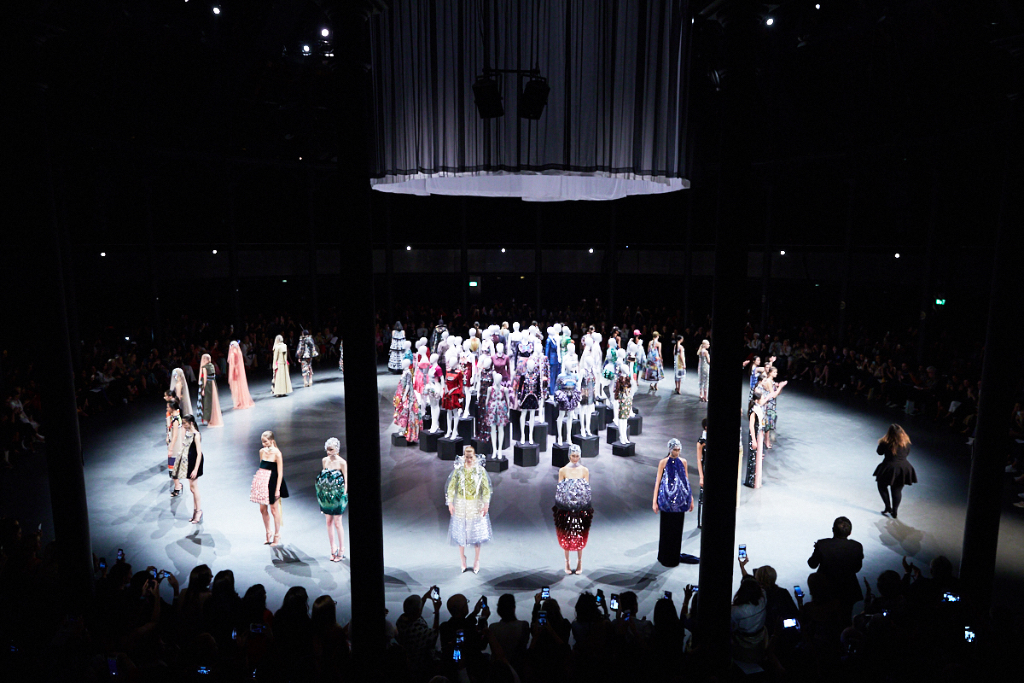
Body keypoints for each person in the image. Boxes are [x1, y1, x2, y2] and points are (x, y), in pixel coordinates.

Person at [807, 516, 864, 624]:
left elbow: (812, 564)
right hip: (848, 590)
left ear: (833, 530)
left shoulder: (822, 544)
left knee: (825, 621)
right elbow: (857, 568)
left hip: (825, 589)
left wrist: (817, 550)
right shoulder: (857, 546)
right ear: (850, 532)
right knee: (845, 619)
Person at [445, 446, 492, 573]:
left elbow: (486, 488)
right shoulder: (459, 470)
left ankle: (477, 559)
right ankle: (462, 559)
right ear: (464, 457)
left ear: (474, 457)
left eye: (471, 457)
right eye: (467, 457)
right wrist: (450, 503)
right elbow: (451, 486)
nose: (469, 459)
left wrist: (486, 504)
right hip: (461, 503)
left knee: (476, 534)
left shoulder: (480, 470)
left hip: (476, 504)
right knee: (461, 533)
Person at [653, 438, 695, 567]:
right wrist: (654, 501)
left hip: (680, 501)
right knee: (666, 529)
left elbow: (686, 480)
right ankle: (664, 556)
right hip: (666, 501)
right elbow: (658, 482)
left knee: (677, 530)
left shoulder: (683, 462)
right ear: (670, 449)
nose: (677, 452)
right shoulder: (663, 462)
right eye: (675, 450)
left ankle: (674, 556)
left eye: (678, 450)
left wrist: (691, 498)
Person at [553, 444, 593, 575]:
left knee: (580, 534)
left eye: (577, 456)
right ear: (569, 455)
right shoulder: (563, 470)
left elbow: (587, 490)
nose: (575, 458)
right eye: (573, 456)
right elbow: (559, 489)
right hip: (566, 508)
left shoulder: (585, 470)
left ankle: (580, 562)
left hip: (581, 508)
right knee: (566, 535)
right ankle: (567, 562)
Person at [250, 430, 288, 545]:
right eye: (262, 442)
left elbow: (280, 473)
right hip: (263, 481)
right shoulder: (262, 451)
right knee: (262, 509)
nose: (263, 444)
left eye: (265, 441)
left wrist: (277, 489)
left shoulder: (277, 453)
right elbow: (261, 467)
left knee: (274, 510)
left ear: (271, 441)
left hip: (273, 482)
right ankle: (268, 532)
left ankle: (277, 534)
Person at [396, 588, 443, 679]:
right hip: (422, 666)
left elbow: (415, 612)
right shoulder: (417, 631)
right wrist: (437, 611)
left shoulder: (401, 621)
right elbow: (434, 634)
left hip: (410, 661)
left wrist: (425, 597)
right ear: (418, 610)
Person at [874, 424, 917, 519]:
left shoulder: (885, 442)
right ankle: (895, 511)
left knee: (881, 486)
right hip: (903, 468)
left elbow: (879, 452)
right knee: (896, 490)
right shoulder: (906, 443)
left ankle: (888, 507)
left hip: (889, 467)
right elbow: (907, 453)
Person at [316, 437, 348, 562]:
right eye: (327, 450)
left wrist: (343, 495)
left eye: (331, 449)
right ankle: (332, 548)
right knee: (328, 521)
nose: (329, 452)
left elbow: (346, 480)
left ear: (337, 449)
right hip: (326, 495)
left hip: (338, 495)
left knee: (337, 522)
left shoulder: (342, 462)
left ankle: (341, 549)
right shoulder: (324, 460)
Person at [489, 594, 530, 677]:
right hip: (518, 670)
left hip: (497, 672)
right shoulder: (524, 625)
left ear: (499, 609)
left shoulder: (492, 628)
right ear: (513, 608)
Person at [730, 578, 767, 663]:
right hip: (761, 636)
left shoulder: (735, 611)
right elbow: (762, 590)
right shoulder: (763, 599)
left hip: (743, 641)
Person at [178, 415, 205, 523]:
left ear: (191, 423)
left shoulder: (196, 435)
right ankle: (195, 512)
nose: (183, 425)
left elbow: (199, 453)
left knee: (194, 488)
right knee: (192, 488)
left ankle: (198, 512)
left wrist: (195, 469)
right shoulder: (188, 432)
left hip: (195, 462)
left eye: (185, 423)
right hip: (189, 461)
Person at [195, 353, 223, 427]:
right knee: (212, 401)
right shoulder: (212, 365)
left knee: (207, 402)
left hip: (207, 385)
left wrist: (203, 389)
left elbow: (205, 379)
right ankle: (212, 417)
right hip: (212, 385)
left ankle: (208, 419)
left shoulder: (204, 367)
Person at [227, 341, 255, 409]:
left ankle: (239, 401)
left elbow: (233, 364)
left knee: (236, 386)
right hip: (239, 371)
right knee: (240, 386)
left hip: (235, 371)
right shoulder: (238, 352)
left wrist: (232, 373)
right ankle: (241, 400)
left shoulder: (233, 354)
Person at [166, 398, 182, 481]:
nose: (167, 409)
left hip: (175, 446)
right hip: (174, 444)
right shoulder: (175, 417)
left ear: (172, 407)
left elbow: (175, 436)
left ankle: (177, 485)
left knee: (174, 468)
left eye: (168, 407)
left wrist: (170, 449)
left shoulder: (176, 420)